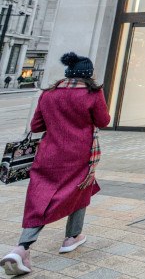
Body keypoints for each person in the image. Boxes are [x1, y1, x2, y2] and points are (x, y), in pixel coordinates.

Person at [1, 52, 110, 276]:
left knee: (41, 197)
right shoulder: (92, 93)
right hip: (79, 154)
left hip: (49, 153)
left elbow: (37, 125)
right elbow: (103, 121)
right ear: (88, 74)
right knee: (80, 188)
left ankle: (25, 246)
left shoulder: (49, 94)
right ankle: (68, 238)